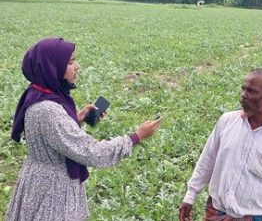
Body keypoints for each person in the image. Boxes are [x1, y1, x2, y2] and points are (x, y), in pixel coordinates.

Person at [6, 38, 161, 221]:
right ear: (51, 67)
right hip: (52, 190)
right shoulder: (48, 110)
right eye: (70, 62)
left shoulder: (37, 93)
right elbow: (91, 152)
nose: (77, 66)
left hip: (38, 180)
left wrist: (75, 120)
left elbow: (51, 136)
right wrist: (135, 137)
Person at [179, 68, 262, 221]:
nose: (243, 95)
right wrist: (190, 196)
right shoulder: (226, 121)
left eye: (252, 91)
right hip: (216, 213)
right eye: (243, 89)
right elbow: (207, 161)